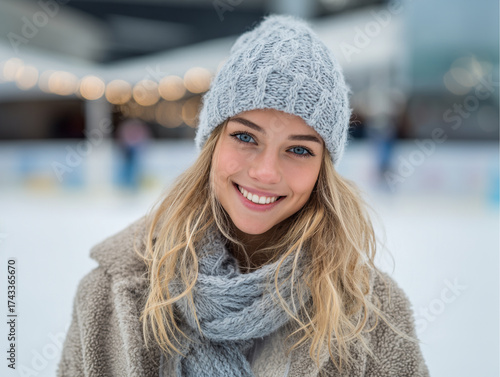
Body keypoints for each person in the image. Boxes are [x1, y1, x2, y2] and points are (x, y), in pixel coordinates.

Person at [57, 14, 430, 377]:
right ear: (212, 144)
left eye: (299, 150)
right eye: (245, 137)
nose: (266, 172)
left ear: (323, 170)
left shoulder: (374, 313)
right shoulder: (109, 296)